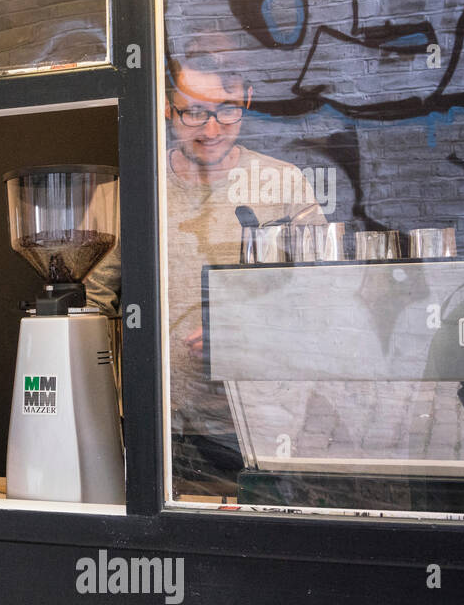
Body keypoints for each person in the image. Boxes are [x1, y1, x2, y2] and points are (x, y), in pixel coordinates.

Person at [87, 47, 323, 495]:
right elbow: (91, 308)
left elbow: (321, 300)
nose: (211, 130)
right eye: (193, 113)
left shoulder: (285, 183)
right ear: (165, 107)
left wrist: (246, 333)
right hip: (156, 425)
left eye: (227, 111)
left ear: (248, 100)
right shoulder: (130, 192)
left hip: (266, 425)